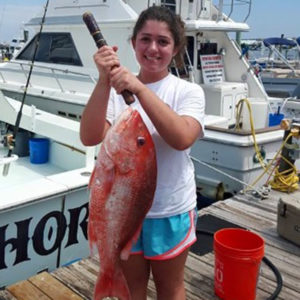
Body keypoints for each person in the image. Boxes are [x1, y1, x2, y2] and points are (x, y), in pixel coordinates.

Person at [80, 5, 205, 300]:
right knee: (132, 288)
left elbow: (182, 137)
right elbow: (89, 137)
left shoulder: (187, 92)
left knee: (170, 288)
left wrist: (140, 89)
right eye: (145, 39)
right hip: (123, 212)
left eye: (163, 41)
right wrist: (103, 80)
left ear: (175, 49)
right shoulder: (114, 92)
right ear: (133, 43)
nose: (153, 48)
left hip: (170, 210)